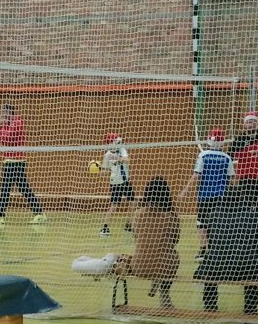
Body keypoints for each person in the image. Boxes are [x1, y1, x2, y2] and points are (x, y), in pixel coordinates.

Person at [195, 185, 258, 313]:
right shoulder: (254, 216)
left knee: (209, 265)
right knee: (255, 262)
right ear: (242, 199)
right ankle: (251, 307)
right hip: (246, 266)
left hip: (218, 266)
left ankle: (210, 306)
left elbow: (211, 242)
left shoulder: (213, 215)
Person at [125, 176, 180, 309]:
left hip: (139, 267)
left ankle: (156, 279)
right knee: (174, 255)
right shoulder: (171, 216)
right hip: (164, 267)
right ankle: (164, 293)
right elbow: (175, 240)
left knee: (143, 251)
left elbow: (136, 237)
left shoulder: (137, 214)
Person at [0, 103, 44, 225]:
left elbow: (8, 138)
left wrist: (3, 130)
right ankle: (0, 216)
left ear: (9, 112)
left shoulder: (18, 122)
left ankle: (39, 214)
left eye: (3, 112)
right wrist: (2, 127)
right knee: (7, 189)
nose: (1, 114)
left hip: (17, 161)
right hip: (8, 161)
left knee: (20, 189)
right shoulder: (5, 125)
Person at [192, 130, 232, 229]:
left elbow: (196, 175)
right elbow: (232, 179)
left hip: (205, 196)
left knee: (201, 223)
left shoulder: (203, 155)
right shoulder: (227, 157)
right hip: (221, 196)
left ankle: (203, 240)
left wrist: (185, 191)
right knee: (218, 223)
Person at [99, 133, 134, 235]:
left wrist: (117, 158)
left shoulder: (122, 149)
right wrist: (98, 169)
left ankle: (129, 225)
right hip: (115, 182)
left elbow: (127, 160)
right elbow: (105, 170)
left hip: (125, 181)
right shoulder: (107, 155)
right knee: (114, 205)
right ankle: (105, 228)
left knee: (132, 202)